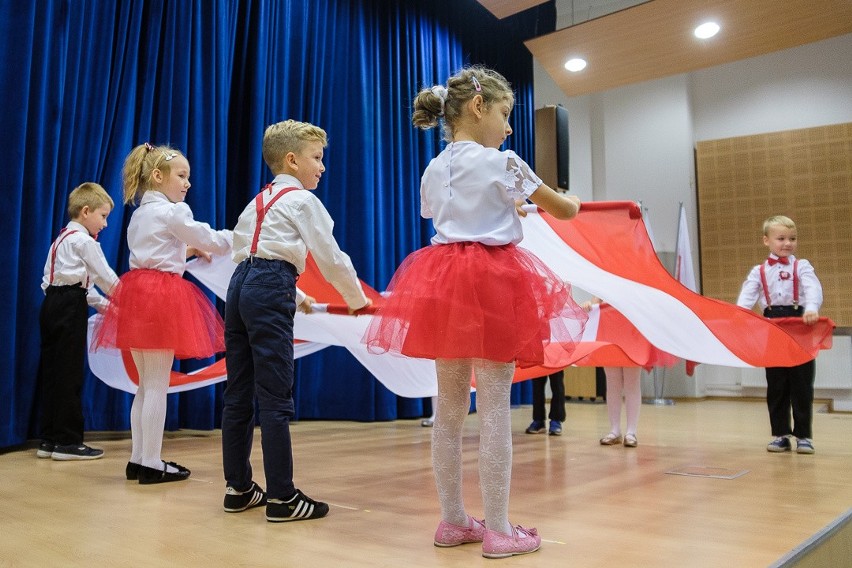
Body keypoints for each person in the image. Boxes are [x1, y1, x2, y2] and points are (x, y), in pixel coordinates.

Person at [364, 66, 586, 559]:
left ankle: (453, 520)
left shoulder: (433, 167)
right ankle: (500, 529)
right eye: (506, 115)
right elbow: (564, 210)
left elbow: (440, 214)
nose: (509, 128)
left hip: (443, 282)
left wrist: (503, 209)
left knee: (447, 408)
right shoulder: (505, 162)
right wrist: (569, 198)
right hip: (493, 282)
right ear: (479, 107)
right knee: (493, 407)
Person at [221, 119, 371, 522]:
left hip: (240, 287)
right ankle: (283, 497)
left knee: (238, 393)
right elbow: (331, 258)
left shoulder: (257, 201)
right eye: (317, 158)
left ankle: (237, 488)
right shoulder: (303, 201)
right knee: (274, 394)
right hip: (269, 286)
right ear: (292, 160)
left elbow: (252, 253)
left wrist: (299, 295)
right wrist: (356, 301)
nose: (322, 167)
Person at [93, 143, 232, 483]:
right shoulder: (173, 212)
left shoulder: (141, 213)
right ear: (158, 176)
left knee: (145, 384)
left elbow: (160, 251)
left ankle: (139, 458)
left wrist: (187, 249)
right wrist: (236, 238)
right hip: (160, 296)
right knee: (156, 384)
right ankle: (152, 463)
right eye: (181, 176)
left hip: (137, 292)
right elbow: (210, 239)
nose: (187, 184)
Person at [37, 182, 119, 461]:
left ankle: (49, 438)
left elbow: (67, 284)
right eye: (103, 216)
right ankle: (69, 442)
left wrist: (106, 307)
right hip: (69, 306)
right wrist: (130, 302)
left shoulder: (60, 239)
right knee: (69, 373)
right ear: (86, 211)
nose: (106, 224)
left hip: (52, 304)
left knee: (54, 372)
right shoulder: (84, 241)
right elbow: (105, 277)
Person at [736, 215, 823, 454]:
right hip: (772, 329)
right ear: (766, 241)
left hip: (799, 329)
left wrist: (812, 308)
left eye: (792, 238)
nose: (787, 243)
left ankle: (804, 436)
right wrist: (740, 317)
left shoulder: (802, 266)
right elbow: (746, 298)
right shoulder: (759, 271)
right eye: (781, 238)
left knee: (802, 384)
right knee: (776, 385)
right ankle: (780, 434)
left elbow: (812, 288)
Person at [580, 298, 642, 447]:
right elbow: (600, 295)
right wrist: (591, 304)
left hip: (632, 329)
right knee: (612, 383)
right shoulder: (609, 277)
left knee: (631, 383)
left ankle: (631, 432)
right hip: (610, 328)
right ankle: (615, 430)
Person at [524, 370, 565, 436]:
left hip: (556, 360)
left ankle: (556, 420)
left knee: (557, 385)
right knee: (537, 386)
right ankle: (538, 420)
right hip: (539, 361)